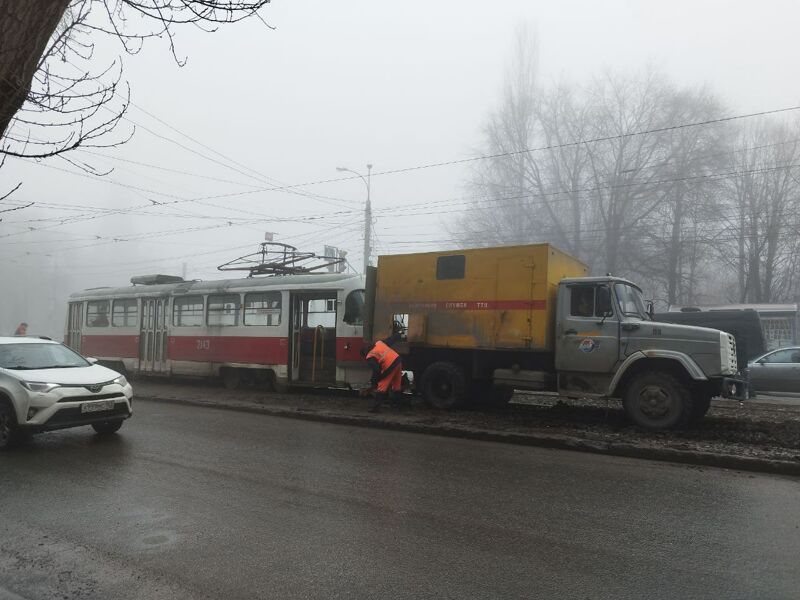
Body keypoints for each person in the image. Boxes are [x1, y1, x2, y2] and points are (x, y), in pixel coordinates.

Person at [360, 326, 404, 413]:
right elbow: (390, 340)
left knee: (382, 386)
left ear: (364, 354)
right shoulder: (379, 343)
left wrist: (374, 381)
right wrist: (399, 334)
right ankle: (398, 407)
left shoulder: (370, 356)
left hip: (390, 365)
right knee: (396, 385)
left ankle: (375, 408)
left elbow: (376, 369)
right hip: (398, 360)